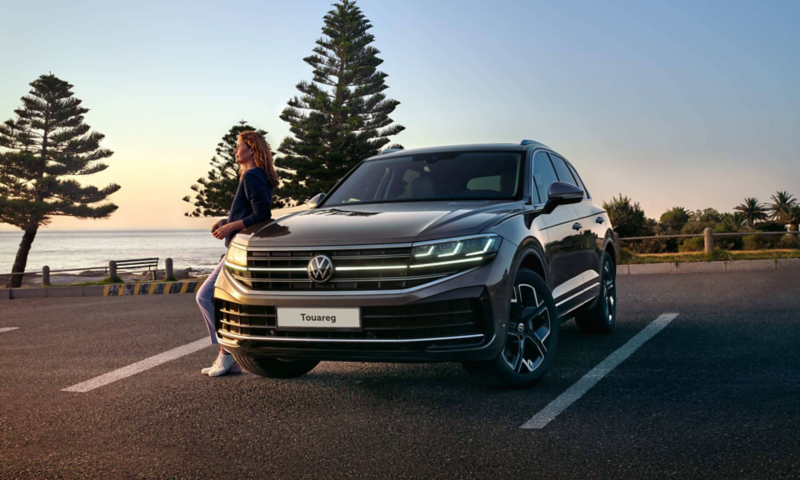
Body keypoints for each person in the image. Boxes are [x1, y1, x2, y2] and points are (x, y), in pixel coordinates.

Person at [196, 131, 277, 376]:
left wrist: (230, 227)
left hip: (239, 249)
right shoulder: (257, 175)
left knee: (205, 296)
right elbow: (252, 211)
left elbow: (262, 215)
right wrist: (226, 220)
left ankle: (227, 353)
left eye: (239, 146)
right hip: (241, 247)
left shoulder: (252, 175)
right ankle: (229, 354)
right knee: (218, 298)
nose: (234, 151)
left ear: (251, 149)